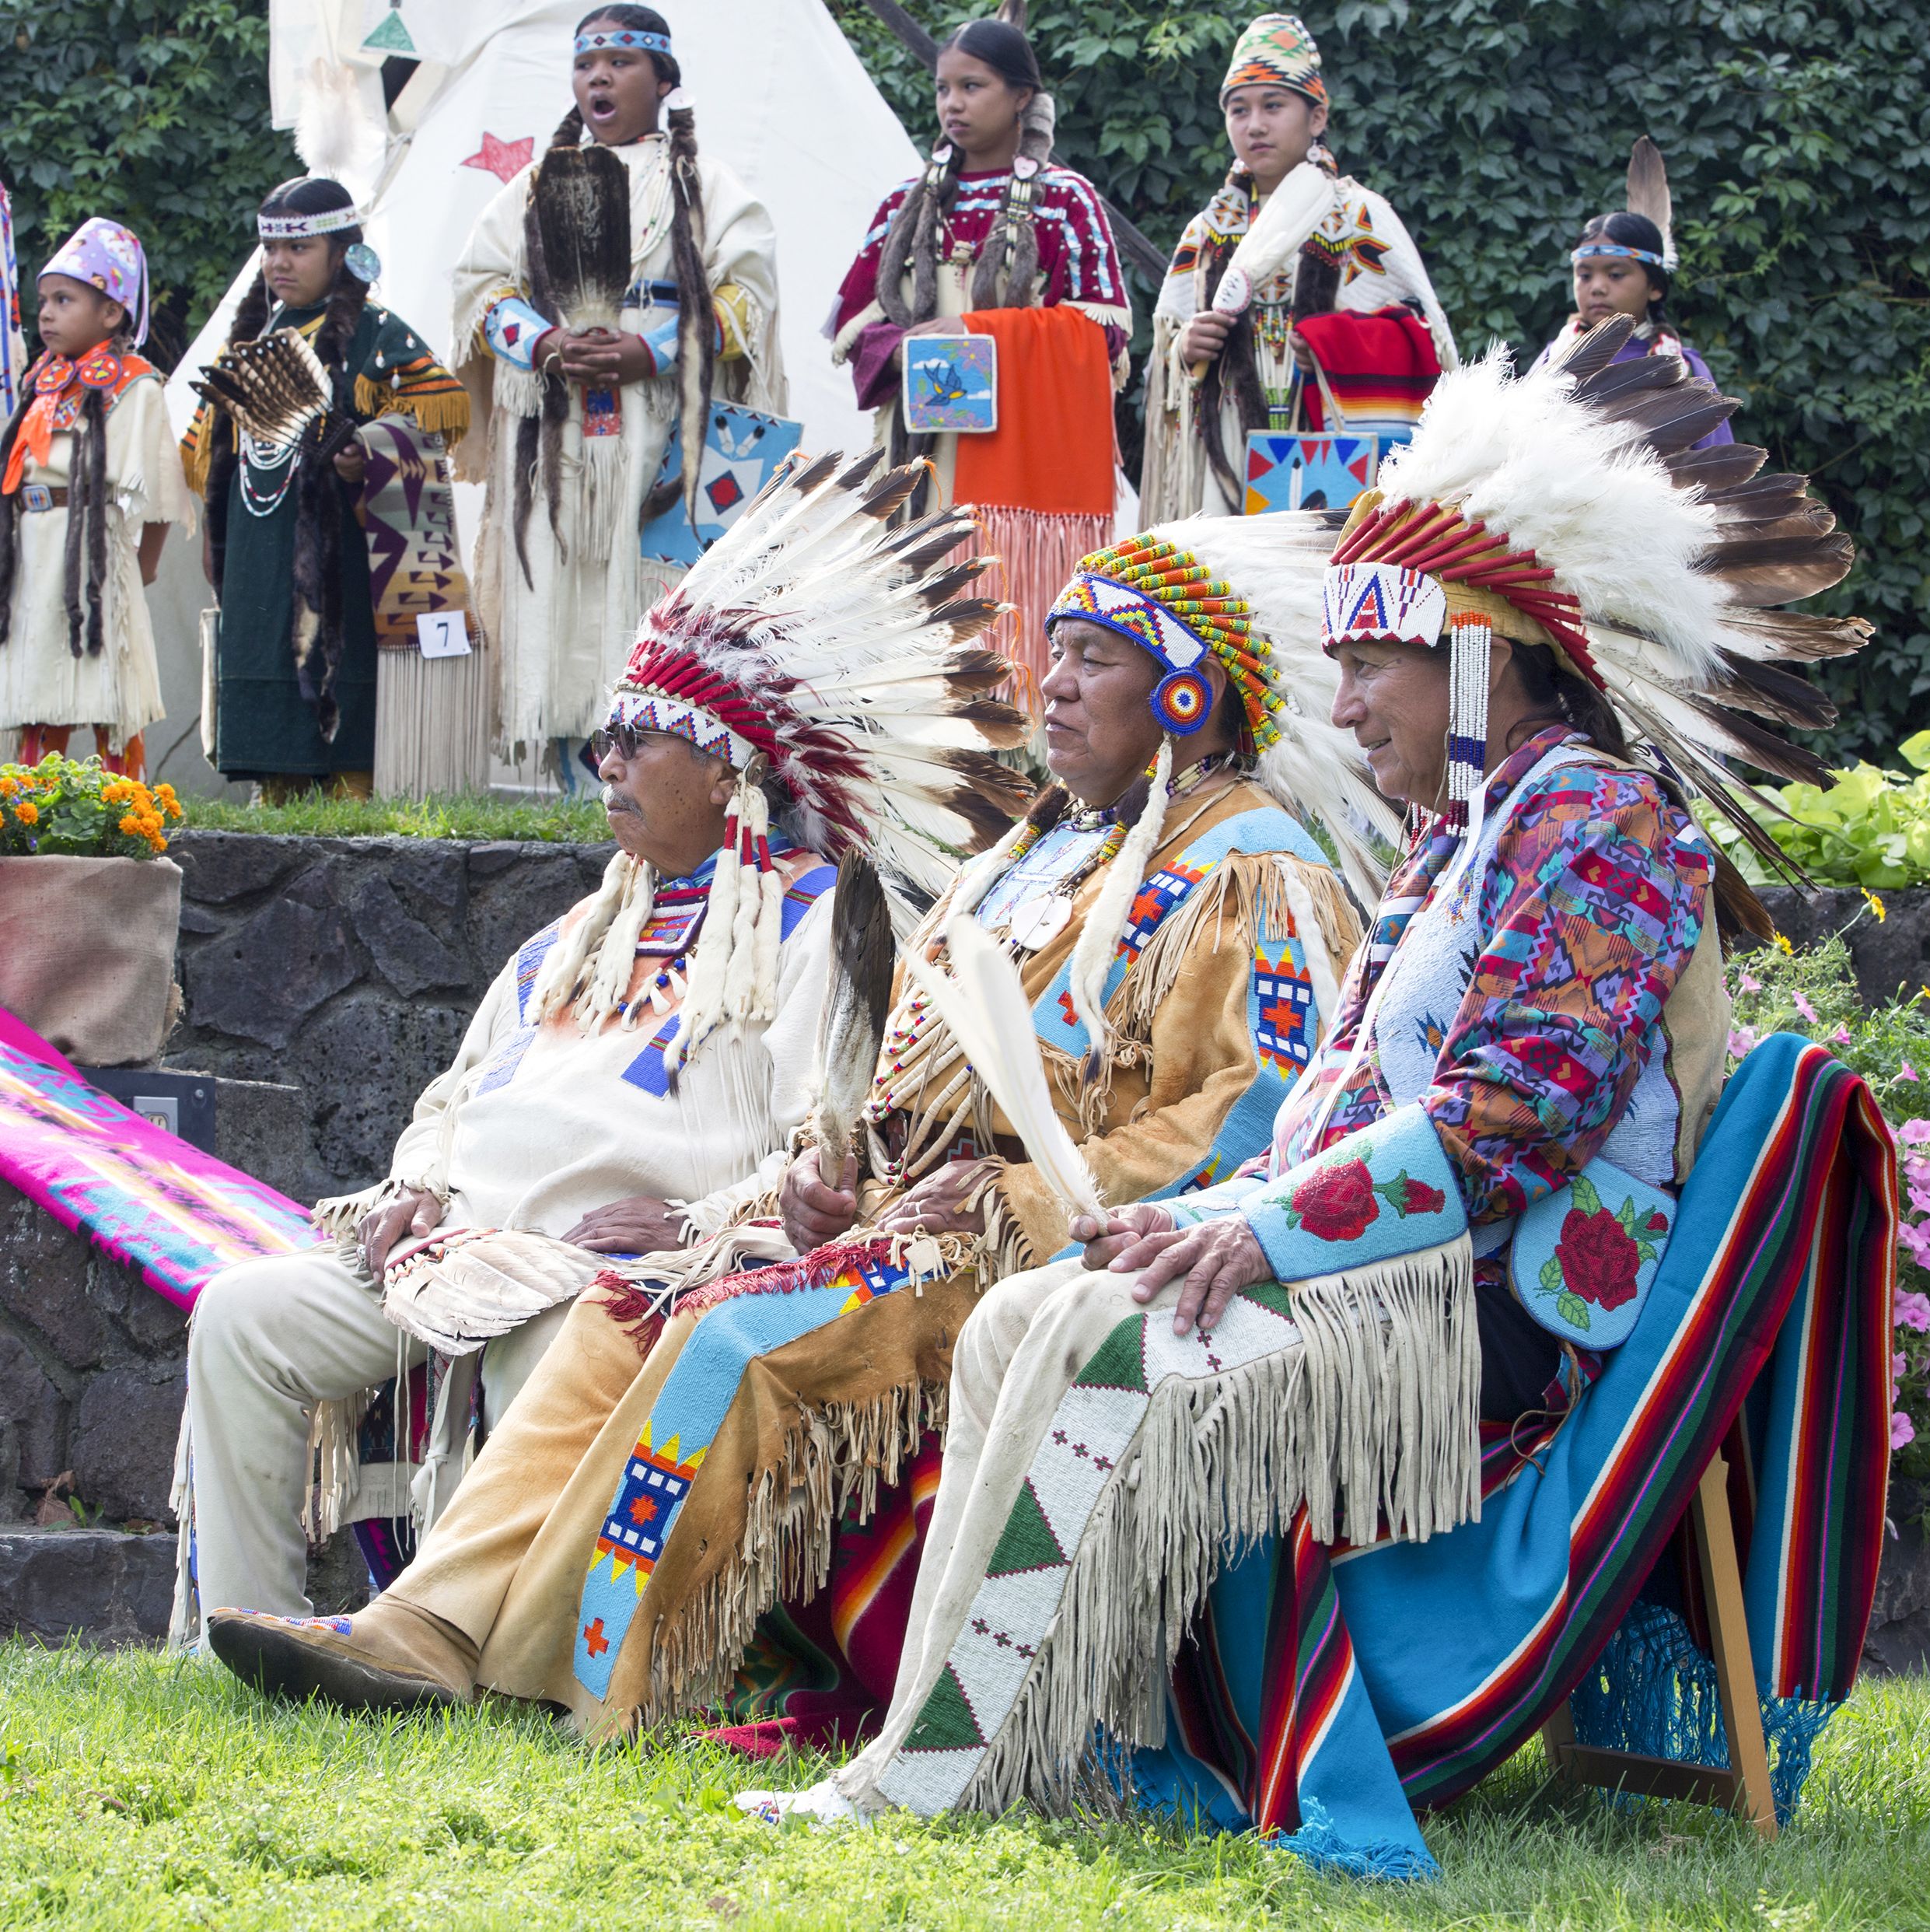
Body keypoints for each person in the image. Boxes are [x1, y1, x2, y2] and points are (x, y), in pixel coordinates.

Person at [738, 321, 1892, 1872]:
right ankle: (981, 1741)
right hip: (1385, 1272)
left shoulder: (1596, 825)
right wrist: (1213, 1214)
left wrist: (1258, 1235)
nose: (1342, 714)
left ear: (1476, 654)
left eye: (1370, 668)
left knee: (1102, 1336)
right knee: (1034, 1308)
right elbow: (1328, 1114)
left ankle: (941, 1774)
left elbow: (1512, 1122)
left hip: (1488, 1311)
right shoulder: (1463, 839)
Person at [198, 479, 1398, 1731]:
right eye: (1055, 655)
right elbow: (906, 1085)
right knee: (624, 1303)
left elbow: (1257, 1117)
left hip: (1060, 1249)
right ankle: (428, 1623)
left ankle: (569, 1677)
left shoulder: (1250, 866)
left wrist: (1025, 1195)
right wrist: (837, 1181)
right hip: (913, 1220)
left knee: (725, 1334)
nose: (1053, 685)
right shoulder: (1042, 854)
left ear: (1186, 697)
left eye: (1095, 660)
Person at [173, 446, 1030, 1647]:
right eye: (606, 739)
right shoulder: (578, 929)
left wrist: (694, 1226)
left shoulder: (811, 927)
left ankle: (484, 1647)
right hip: (460, 1248)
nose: (608, 762)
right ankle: (248, 1622)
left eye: (642, 738)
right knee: (245, 1313)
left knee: (561, 1329)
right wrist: (418, 1184)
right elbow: (454, 1091)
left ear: (728, 767)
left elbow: (826, 1145)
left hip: (615, 1271)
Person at [452, 4, 783, 784]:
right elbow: (481, 286)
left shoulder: (705, 188)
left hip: (660, 434)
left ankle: (661, 778)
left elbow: (748, 297)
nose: (598, 76)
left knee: (652, 595)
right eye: (585, 63)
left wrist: (653, 349)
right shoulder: (535, 187)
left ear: (664, 79)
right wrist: (543, 342)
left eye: (621, 62)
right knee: (555, 587)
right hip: (557, 439)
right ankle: (576, 779)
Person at [830, 3, 1129, 701]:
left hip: (1019, 447)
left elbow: (1104, 334)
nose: (953, 104)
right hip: (920, 443)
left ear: (1023, 97)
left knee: (1007, 600)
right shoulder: (905, 204)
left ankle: (1017, 738)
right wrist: (907, 345)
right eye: (944, 88)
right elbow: (852, 322)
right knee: (914, 590)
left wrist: (981, 333)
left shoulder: (1065, 202)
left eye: (973, 87)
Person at [181, 177, 468, 797]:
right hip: (262, 550)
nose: (279, 263)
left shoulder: (377, 333)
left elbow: (443, 408)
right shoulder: (254, 342)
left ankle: (353, 803)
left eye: (299, 248)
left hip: (343, 555)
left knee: (340, 689)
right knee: (271, 674)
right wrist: (216, 531)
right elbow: (202, 452)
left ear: (342, 254)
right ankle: (276, 799)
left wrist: (366, 452)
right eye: (271, 249)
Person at [1141, 13, 1457, 523]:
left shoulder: (1359, 216)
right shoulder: (1209, 230)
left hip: (1330, 440)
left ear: (1316, 118)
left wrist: (1337, 344)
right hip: (1227, 439)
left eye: (1273, 106)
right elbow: (1167, 353)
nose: (1255, 124)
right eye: (1239, 110)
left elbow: (1426, 337)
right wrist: (1184, 348)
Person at [0, 219, 192, 779]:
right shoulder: (44, 379)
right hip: (31, 553)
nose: (46, 313)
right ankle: (30, 803)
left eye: (65, 299)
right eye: (44, 301)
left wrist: (143, 565)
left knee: (106, 680)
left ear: (111, 312)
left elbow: (158, 490)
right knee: (39, 678)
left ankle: (122, 802)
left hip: (94, 555)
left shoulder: (137, 383)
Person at [1536, 138, 1733, 451]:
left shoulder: (1684, 369)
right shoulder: (1555, 358)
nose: (1597, 287)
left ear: (1655, 287)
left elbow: (1716, 462)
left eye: (1616, 274)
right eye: (1584, 275)